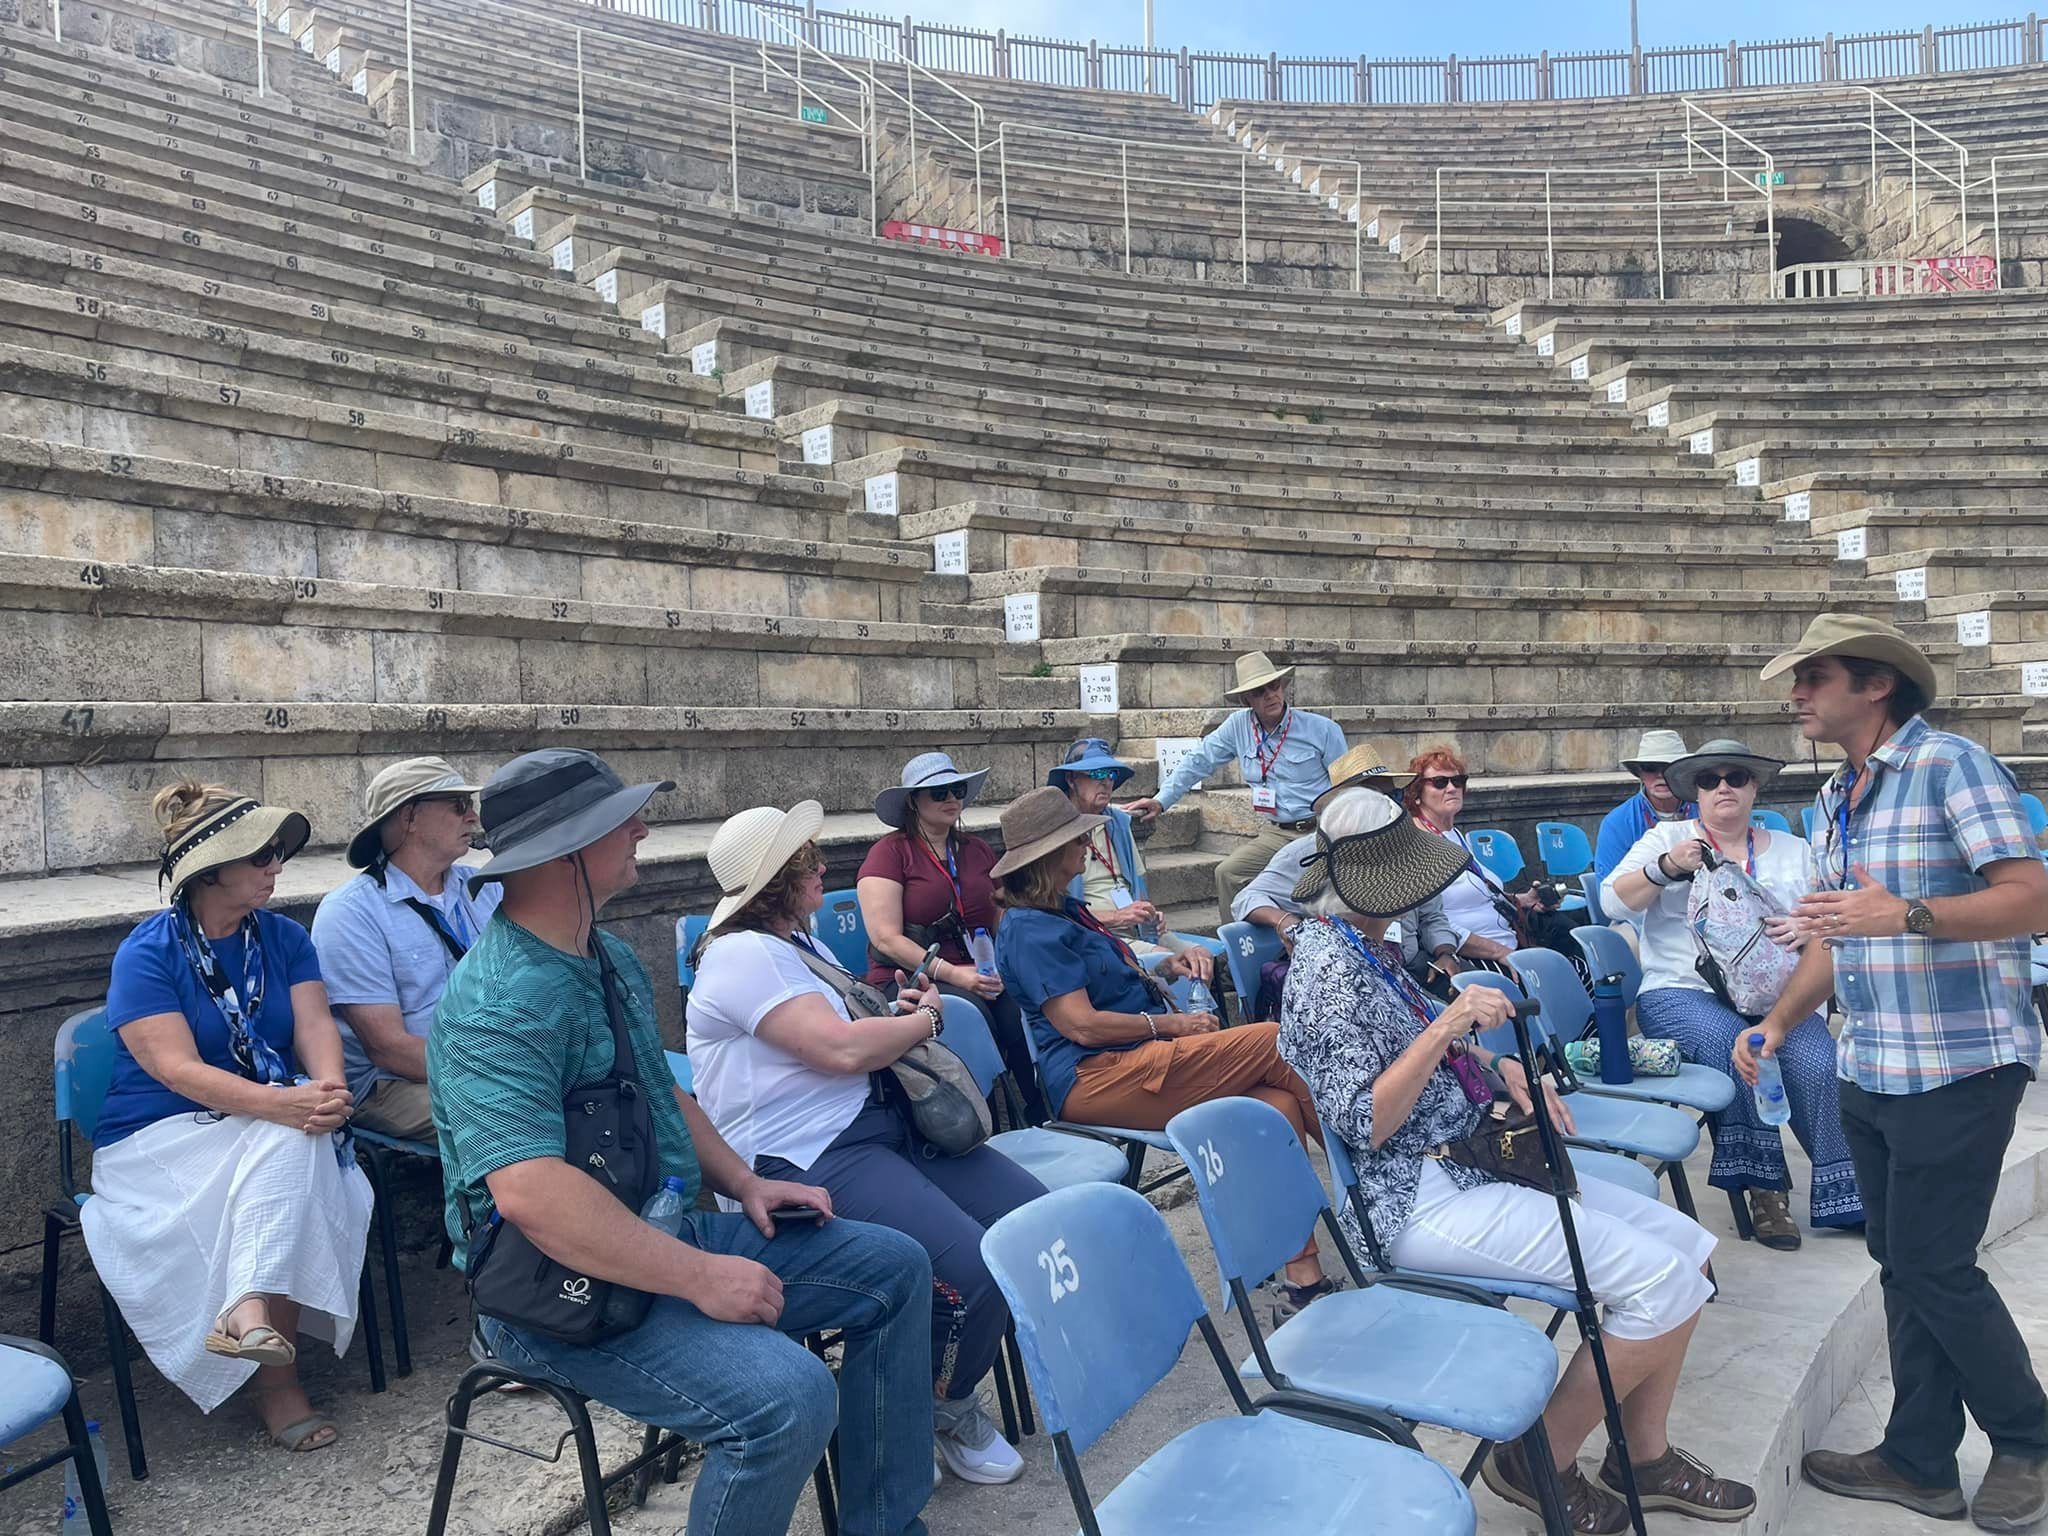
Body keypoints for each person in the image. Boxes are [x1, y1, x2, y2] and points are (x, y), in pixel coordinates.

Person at [430, 749, 935, 1536]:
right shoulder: (496, 1006)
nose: (639, 828)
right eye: (617, 821)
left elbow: (659, 1094)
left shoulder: (607, 955)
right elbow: (529, 1193)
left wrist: (744, 1180)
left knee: (896, 1266)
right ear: (567, 853)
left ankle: (882, 1525)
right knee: (789, 1399)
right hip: (551, 1294)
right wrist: (700, 1275)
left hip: (654, 1231)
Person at [1276, 787, 1754, 1532]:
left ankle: (1646, 1454)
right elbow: (1364, 1122)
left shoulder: (1369, 943)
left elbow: (1416, 1048)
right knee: (1661, 1284)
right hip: (1414, 1195)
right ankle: (1539, 1458)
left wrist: (1488, 1064)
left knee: (1687, 1257)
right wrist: (1451, 1027)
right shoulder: (1326, 971)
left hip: (1466, 1158)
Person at [1735, 615, 2048, 1530]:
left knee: (1933, 1265)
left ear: (1877, 685)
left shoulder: (1950, 765)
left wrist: (1906, 914)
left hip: (1959, 1063)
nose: (1797, 693)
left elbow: (2033, 897)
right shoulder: (1838, 793)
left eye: (1815, 675)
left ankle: (2028, 1439)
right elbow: (1842, 930)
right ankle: (1919, 1459)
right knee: (1900, 1262)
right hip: (1869, 1064)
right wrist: (1779, 1019)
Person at [687, 799, 1045, 1487]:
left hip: (878, 1129)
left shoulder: (798, 943)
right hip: (808, 1156)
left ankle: (921, 1401)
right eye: (805, 860)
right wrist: (925, 1024)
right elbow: (840, 1051)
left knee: (1025, 1224)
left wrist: (898, 1014)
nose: (823, 866)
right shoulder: (740, 955)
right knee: (974, 1267)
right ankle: (935, 1407)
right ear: (775, 883)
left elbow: (849, 1039)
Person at [84, 781, 372, 1452]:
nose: (277, 866)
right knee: (294, 1142)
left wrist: (326, 1089)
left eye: (278, 853)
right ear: (210, 870)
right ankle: (278, 1384)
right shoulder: (147, 952)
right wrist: (287, 1104)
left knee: (298, 1144)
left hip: (261, 1128)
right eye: (261, 856)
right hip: (157, 1140)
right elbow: (174, 1071)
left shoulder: (284, 939)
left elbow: (315, 1026)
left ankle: (246, 1312)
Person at [991, 786, 1335, 1318]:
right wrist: (1172, 1024)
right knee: (1271, 1040)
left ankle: (1302, 1274)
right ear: (1049, 857)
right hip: (1096, 1077)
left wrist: (1163, 967)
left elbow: (1105, 979)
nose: (1086, 845)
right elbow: (1080, 1025)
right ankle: (1372, 1174)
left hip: (1132, 1059)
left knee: (1277, 1104)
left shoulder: (1065, 909)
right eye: (1076, 840)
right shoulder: (1031, 930)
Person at [1604, 738, 1862, 1251]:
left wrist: (1804, 925)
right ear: (1694, 792)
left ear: (1754, 787)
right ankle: (1765, 1190)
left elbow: (1832, 916)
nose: (1723, 787)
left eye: (1736, 777)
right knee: (1738, 1045)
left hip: (1776, 997)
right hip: (1681, 992)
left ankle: (1846, 1194)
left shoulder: (1791, 850)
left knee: (1816, 1061)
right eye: (1709, 779)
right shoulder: (1668, 839)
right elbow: (1613, 900)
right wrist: (1667, 868)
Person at [312, 757, 498, 1141]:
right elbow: (389, 1049)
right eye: (458, 805)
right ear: (410, 816)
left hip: (491, 1059)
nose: (473, 817)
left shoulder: (486, 887)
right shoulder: (350, 912)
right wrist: (503, 1069)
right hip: (393, 1085)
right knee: (511, 1117)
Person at [858, 752, 1042, 1123]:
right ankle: (983, 1119)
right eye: (939, 792)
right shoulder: (889, 854)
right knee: (970, 1012)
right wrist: (957, 974)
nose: (952, 799)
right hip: (912, 977)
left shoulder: (975, 850)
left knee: (1023, 1002)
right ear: (914, 801)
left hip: (980, 969)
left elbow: (1000, 914)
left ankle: (1040, 1109)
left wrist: (1007, 965)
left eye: (957, 789)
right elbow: (886, 939)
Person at [1121, 650, 1348, 926]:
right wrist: (1161, 800)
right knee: (1228, 873)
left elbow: (1346, 786)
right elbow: (1199, 760)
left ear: (1283, 687)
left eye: (1274, 686)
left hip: (1318, 830)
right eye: (1259, 691)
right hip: (1276, 831)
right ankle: (1237, 954)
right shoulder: (1238, 726)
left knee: (1308, 885)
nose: (1270, 695)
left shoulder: (1322, 729)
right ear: (1246, 700)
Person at [1232, 746, 1460, 1016]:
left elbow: (1432, 914)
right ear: (1346, 805)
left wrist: (1446, 952)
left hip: (1412, 968)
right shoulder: (1310, 851)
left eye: (1393, 795)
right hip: (1357, 976)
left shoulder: (1406, 846)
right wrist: (1284, 922)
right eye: (1373, 796)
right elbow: (1246, 899)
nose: (1387, 803)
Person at [1045, 736, 1215, 980]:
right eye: (1096, 774)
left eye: (1111, 775)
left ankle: (1202, 1016)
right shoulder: (1056, 831)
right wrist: (1116, 917)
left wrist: (1150, 913)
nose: (1105, 783)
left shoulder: (1118, 823)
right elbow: (1053, 911)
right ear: (1071, 779)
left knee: (1200, 956)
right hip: (1094, 932)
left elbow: (1138, 886)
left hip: (1138, 928)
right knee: (1171, 962)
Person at [1404, 746, 1573, 973]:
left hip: (1509, 937)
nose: (1453, 788)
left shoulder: (1454, 835)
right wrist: (1501, 953)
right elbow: (1431, 922)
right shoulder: (1416, 845)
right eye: (1440, 783)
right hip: (1477, 957)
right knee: (1561, 976)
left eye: (1458, 781)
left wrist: (1523, 900)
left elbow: (1479, 893)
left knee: (1576, 944)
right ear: (1416, 794)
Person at [1593, 730, 1697, 890]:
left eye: (1669, 767)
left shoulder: (1707, 810)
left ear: (1682, 772)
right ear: (1639, 773)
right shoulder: (1617, 823)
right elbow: (1607, 890)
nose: (1661, 775)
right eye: (1650, 767)